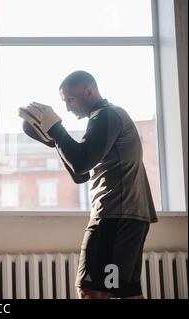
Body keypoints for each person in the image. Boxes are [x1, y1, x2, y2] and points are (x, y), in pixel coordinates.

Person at [19, 70, 158, 299]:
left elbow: (81, 163)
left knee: (91, 290)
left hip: (116, 216)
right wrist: (56, 140)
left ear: (89, 91)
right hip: (123, 216)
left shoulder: (105, 115)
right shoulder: (103, 120)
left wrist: (56, 127)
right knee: (124, 292)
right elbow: (80, 174)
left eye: (70, 100)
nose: (67, 108)